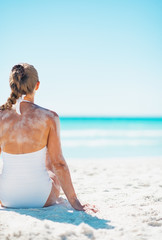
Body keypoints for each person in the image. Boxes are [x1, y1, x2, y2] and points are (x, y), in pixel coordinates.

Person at [0, 63, 97, 212]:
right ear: (37, 85)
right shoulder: (49, 117)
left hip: (6, 197)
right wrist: (75, 201)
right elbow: (59, 164)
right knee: (49, 160)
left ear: (11, 86)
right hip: (41, 197)